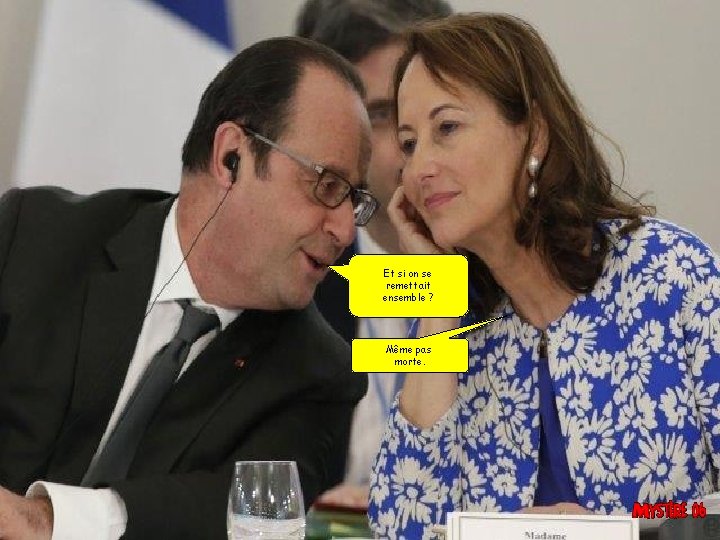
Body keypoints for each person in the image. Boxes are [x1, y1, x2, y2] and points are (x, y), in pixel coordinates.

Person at [0, 36, 375, 539]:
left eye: (355, 200)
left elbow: (227, 522)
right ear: (231, 156)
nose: (346, 231)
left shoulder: (317, 375)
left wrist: (46, 522)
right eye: (327, 185)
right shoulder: (33, 239)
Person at [368, 12, 720, 539]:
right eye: (409, 143)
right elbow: (398, 529)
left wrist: (619, 530)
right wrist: (435, 295)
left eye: (447, 128)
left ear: (534, 134)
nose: (419, 169)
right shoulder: (452, 325)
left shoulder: (673, 275)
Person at [295, 0, 452, 510]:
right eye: (383, 114)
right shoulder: (296, 283)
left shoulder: (511, 282)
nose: (412, 146)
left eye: (440, 117)